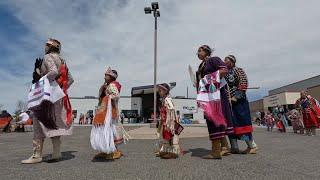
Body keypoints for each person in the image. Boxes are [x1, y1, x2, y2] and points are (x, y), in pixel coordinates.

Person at [22, 38, 74, 164]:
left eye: (46, 45)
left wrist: (41, 79)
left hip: (45, 96)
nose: (44, 47)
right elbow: (70, 79)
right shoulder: (62, 61)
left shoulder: (48, 57)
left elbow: (53, 71)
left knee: (38, 122)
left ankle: (37, 155)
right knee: (52, 123)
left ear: (50, 47)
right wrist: (60, 88)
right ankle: (56, 153)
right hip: (57, 97)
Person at [196, 45, 234, 159]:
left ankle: (216, 151)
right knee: (213, 119)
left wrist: (207, 79)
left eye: (199, 51)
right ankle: (224, 147)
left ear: (206, 52)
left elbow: (224, 70)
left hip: (216, 95)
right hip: (208, 96)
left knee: (215, 119)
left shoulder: (214, 59)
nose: (197, 53)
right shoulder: (200, 66)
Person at [224, 55, 258, 154]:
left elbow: (243, 84)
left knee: (242, 123)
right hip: (229, 103)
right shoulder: (224, 73)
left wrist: (236, 97)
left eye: (226, 60)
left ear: (232, 61)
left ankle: (252, 146)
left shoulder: (238, 70)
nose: (224, 61)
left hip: (239, 103)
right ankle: (234, 147)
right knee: (231, 124)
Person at [90, 67, 126, 160]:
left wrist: (107, 97)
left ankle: (114, 150)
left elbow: (116, 96)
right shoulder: (107, 85)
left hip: (111, 112)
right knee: (104, 129)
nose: (104, 77)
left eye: (106, 75)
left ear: (111, 77)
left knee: (111, 130)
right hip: (105, 112)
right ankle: (105, 150)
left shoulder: (112, 85)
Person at [156, 83, 183, 159]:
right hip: (166, 122)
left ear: (165, 91)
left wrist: (171, 123)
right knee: (165, 137)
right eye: (158, 91)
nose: (159, 92)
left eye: (160, 91)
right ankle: (166, 150)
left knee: (170, 137)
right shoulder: (164, 100)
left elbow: (172, 111)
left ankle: (173, 153)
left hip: (170, 123)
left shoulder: (168, 99)